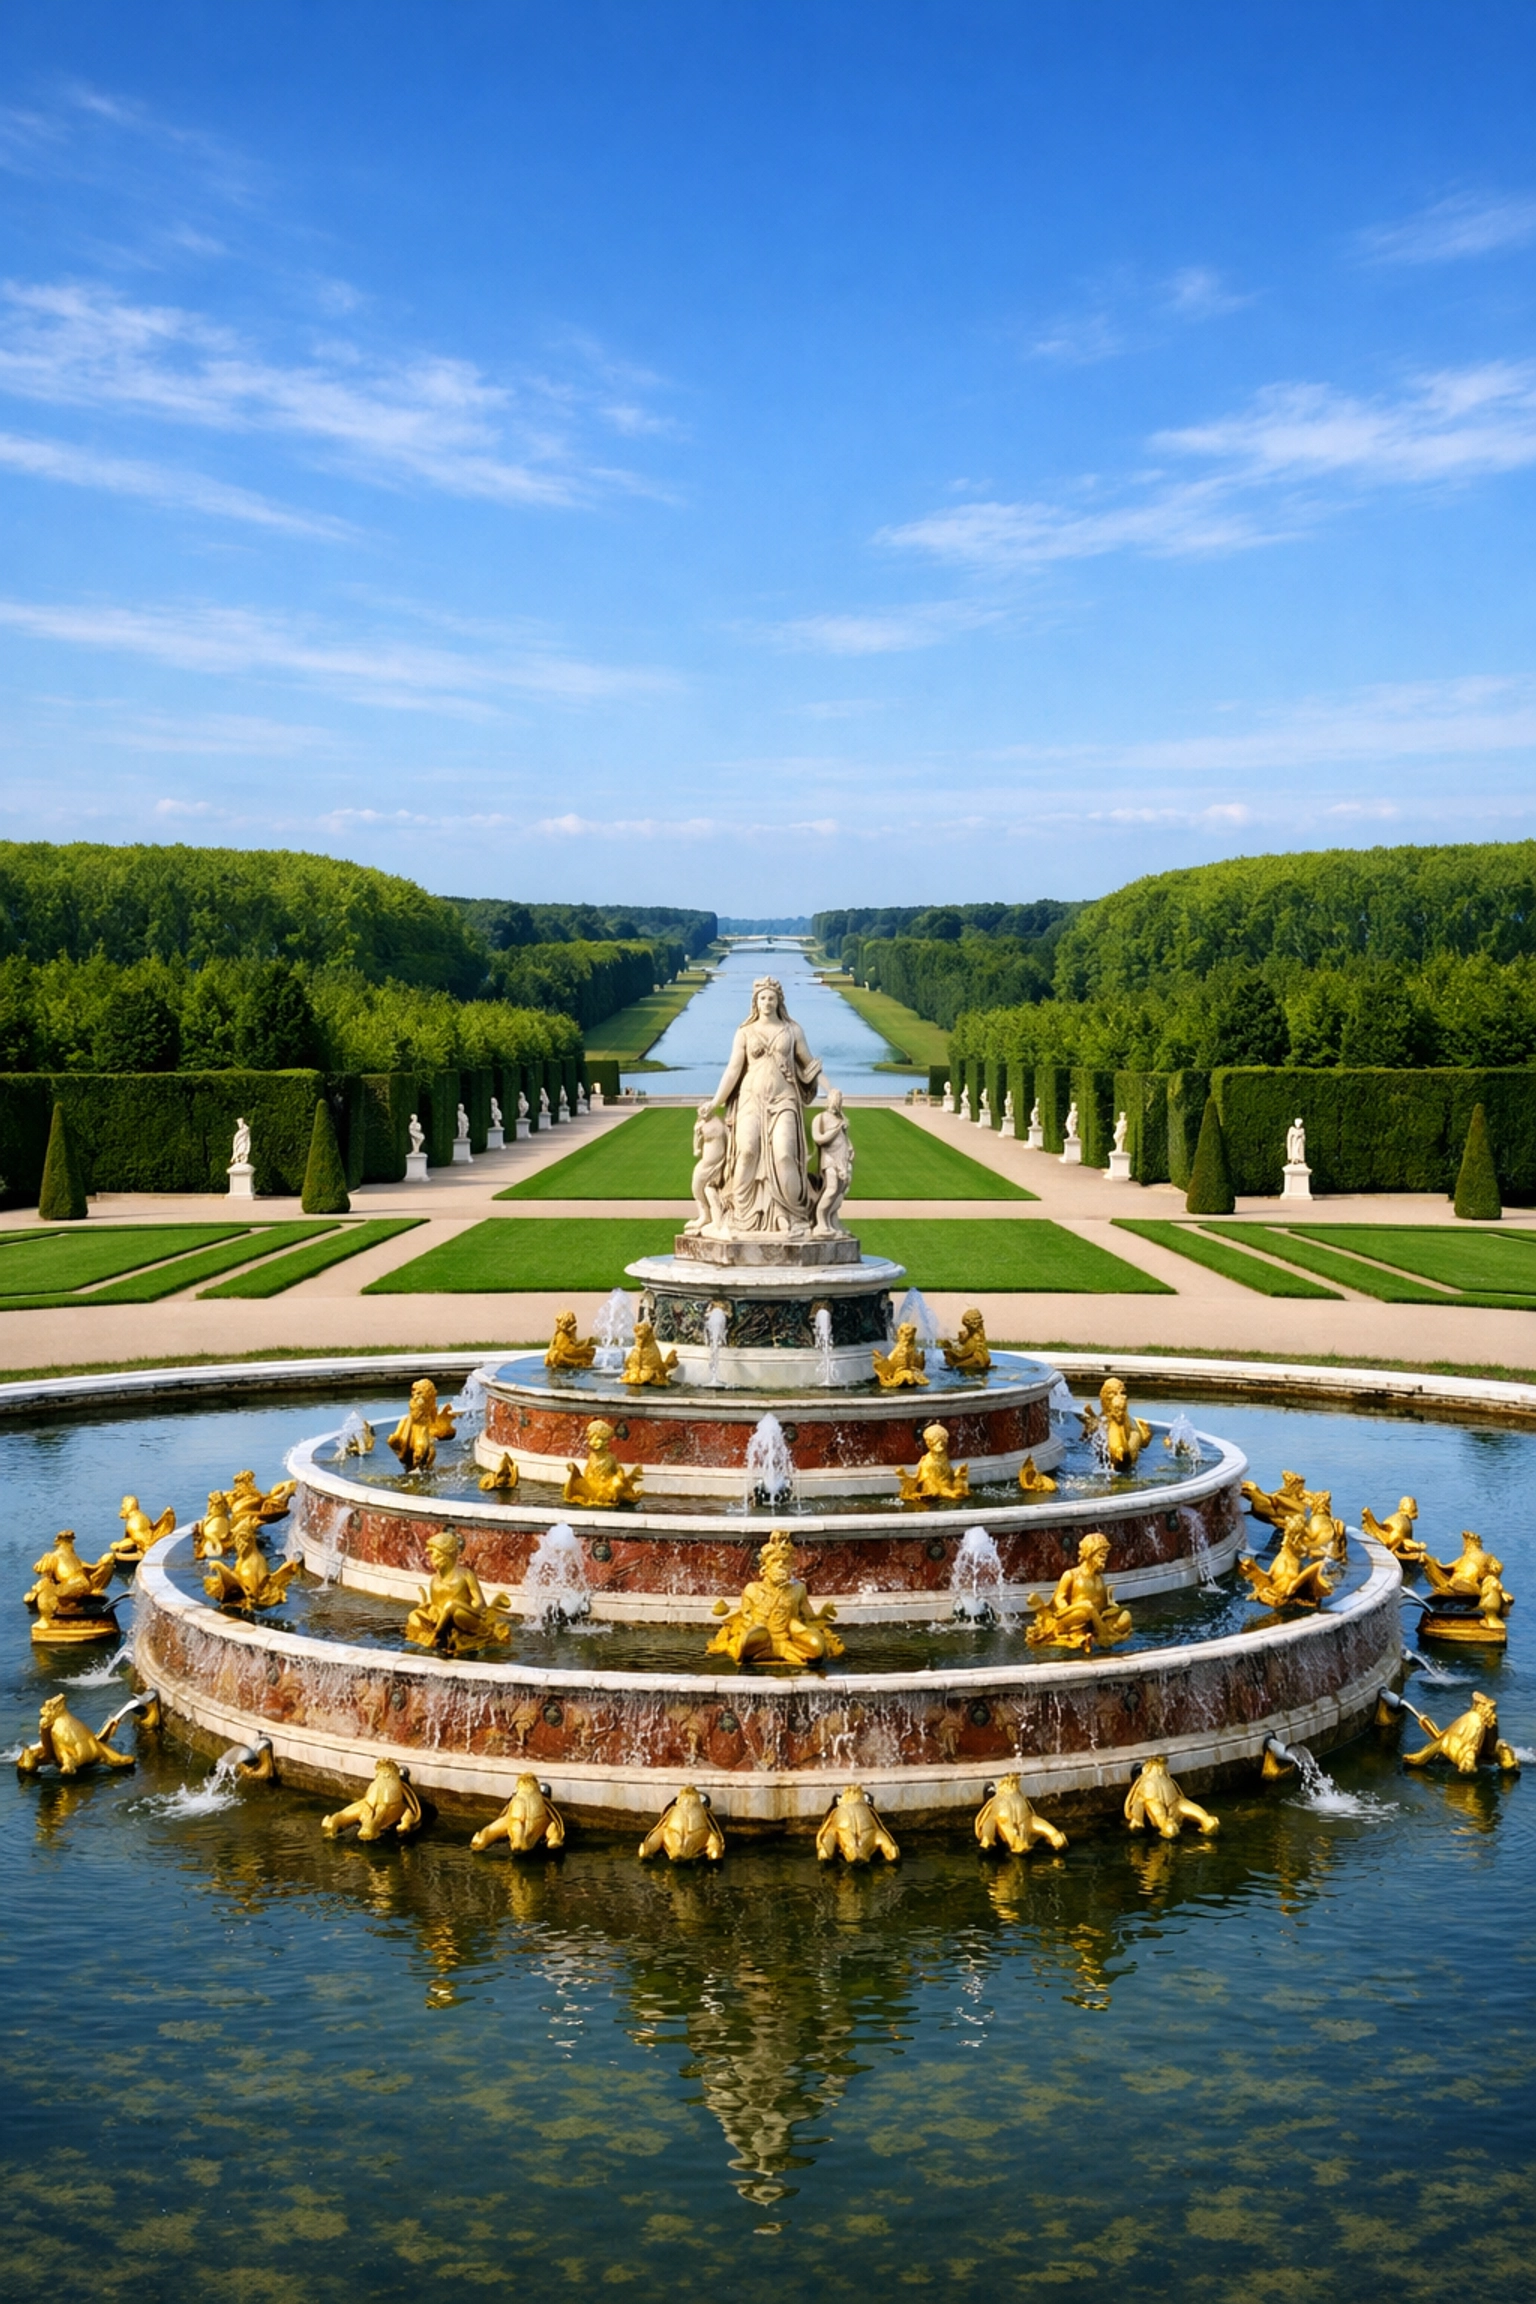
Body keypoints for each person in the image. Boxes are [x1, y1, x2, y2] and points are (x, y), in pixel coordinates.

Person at [709, 977, 822, 1233]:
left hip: (784, 1100)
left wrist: (826, 1084)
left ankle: (792, 1215)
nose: (767, 1002)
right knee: (746, 1153)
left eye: (771, 997)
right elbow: (733, 1070)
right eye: (762, 997)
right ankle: (741, 1216)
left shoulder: (793, 1030)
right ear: (755, 1001)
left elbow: (810, 1063)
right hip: (750, 1099)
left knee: (784, 1155)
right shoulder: (745, 1032)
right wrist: (715, 1102)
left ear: (779, 1000)